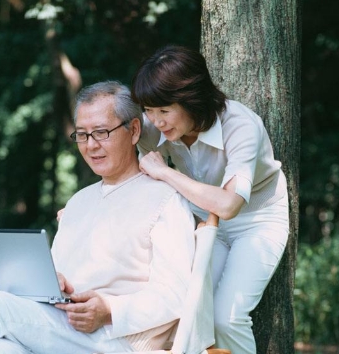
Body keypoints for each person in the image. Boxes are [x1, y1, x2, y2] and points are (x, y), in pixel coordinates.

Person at [0, 81, 197, 354]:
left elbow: (175, 295)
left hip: (118, 340)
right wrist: (56, 283)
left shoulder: (165, 198)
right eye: (82, 135)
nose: (91, 146)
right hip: (64, 329)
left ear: (134, 130)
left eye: (101, 132)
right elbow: (58, 276)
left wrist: (108, 309)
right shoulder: (78, 202)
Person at [130, 44, 290, 354]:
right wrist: (85, 207)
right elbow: (116, 162)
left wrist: (167, 174)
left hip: (257, 221)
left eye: (164, 110)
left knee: (226, 319)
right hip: (203, 223)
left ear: (193, 100)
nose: (156, 121)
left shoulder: (241, 125)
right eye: (149, 110)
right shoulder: (153, 126)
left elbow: (230, 205)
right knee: (186, 311)